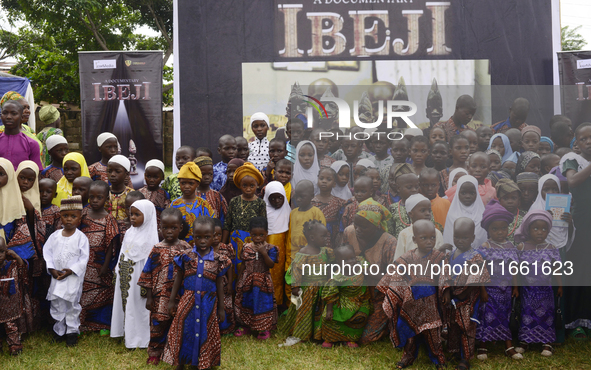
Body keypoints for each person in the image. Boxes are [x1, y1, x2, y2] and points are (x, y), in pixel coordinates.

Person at [162, 216, 231, 369]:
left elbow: (219, 283)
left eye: (207, 237)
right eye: (198, 237)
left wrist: (221, 307)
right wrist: (172, 300)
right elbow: (178, 278)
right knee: (183, 329)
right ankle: (180, 361)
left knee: (205, 330)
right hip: (188, 301)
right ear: (193, 236)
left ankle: (200, 361)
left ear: (214, 236)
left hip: (208, 303)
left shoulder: (218, 260)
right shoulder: (186, 257)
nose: (203, 240)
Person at [377, 220, 447, 369]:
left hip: (431, 306)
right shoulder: (406, 258)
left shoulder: (439, 258)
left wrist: (446, 291)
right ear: (414, 239)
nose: (429, 241)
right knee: (409, 333)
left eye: (432, 237)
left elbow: (445, 277)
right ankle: (408, 356)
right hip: (410, 305)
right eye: (424, 238)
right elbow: (395, 277)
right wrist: (394, 297)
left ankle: (438, 358)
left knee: (433, 334)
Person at [138, 207, 190, 365]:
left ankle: (175, 352)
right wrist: (148, 297)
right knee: (158, 324)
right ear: (160, 228)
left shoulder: (186, 249)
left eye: (174, 228)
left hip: (180, 294)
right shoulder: (157, 249)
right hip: (159, 295)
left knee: (178, 323)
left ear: (180, 228)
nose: (169, 231)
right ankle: (155, 352)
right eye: (165, 227)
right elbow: (147, 272)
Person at [341, 199, 397, 344]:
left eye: (363, 227)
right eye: (356, 224)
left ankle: (389, 324)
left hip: (378, 295)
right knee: (341, 327)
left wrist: (366, 271)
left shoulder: (389, 242)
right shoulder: (349, 232)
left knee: (366, 338)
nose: (358, 229)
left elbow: (392, 278)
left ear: (377, 226)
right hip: (352, 293)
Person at [440, 218, 490, 369]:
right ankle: (454, 352)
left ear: (473, 238)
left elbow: (477, 276)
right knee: (453, 326)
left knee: (466, 327)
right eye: (457, 236)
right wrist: (447, 291)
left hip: (467, 298)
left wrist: (465, 292)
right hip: (453, 298)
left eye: (465, 237)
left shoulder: (476, 256)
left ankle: (465, 358)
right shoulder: (450, 255)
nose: (460, 240)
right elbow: (445, 273)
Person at [476, 200, 522, 360]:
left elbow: (514, 269)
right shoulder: (485, 246)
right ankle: (483, 345)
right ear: (488, 229)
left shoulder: (511, 247)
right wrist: (482, 289)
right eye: (495, 229)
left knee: (505, 316)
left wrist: (515, 287)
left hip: (506, 290)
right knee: (487, 316)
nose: (500, 232)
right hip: (490, 290)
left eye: (503, 228)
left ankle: (508, 346)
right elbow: (481, 270)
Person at [111, 199, 158, 349]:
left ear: (148, 216)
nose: (133, 217)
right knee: (126, 304)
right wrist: (118, 268)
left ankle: (139, 339)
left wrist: (146, 281)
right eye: (131, 214)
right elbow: (123, 251)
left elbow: (149, 263)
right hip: (125, 273)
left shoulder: (150, 237)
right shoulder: (130, 232)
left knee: (138, 307)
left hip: (139, 277)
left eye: (138, 214)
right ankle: (126, 333)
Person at [514, 210, 562, 357]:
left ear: (548, 230)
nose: (540, 232)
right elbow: (515, 269)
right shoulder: (521, 248)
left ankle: (546, 342)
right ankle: (525, 341)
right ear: (528, 229)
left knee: (546, 315)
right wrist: (515, 287)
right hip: (528, 291)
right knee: (527, 313)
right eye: (536, 228)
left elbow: (556, 269)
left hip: (545, 291)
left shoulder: (551, 249)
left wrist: (560, 285)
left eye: (544, 229)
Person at [44, 195, 90, 347]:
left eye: (73, 216)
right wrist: (51, 269)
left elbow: (84, 259)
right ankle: (59, 330)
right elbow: (47, 253)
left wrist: (71, 271)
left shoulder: (81, 238)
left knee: (72, 304)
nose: (69, 219)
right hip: (57, 277)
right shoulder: (55, 236)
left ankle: (71, 332)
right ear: (60, 217)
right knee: (57, 304)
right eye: (65, 216)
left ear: (79, 218)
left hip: (72, 278)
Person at [561, 122, 591, 340]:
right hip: (582, 226)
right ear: (576, 143)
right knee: (581, 272)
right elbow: (572, 181)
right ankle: (577, 322)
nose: (589, 141)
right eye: (584, 139)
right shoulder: (572, 160)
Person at [280, 221, 334, 342]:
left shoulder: (326, 251)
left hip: (322, 287)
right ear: (312, 238)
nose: (326, 238)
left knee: (319, 311)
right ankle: (304, 333)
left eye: (327, 235)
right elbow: (296, 270)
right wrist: (296, 286)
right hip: (308, 289)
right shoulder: (303, 253)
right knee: (306, 311)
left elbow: (334, 263)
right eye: (323, 236)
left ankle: (318, 334)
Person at [78, 181, 120, 334]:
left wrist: (105, 265)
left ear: (106, 199)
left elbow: (111, 245)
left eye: (99, 197)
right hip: (83, 261)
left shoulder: (109, 219)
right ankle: (83, 323)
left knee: (103, 293)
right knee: (83, 293)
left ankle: (103, 326)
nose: (95, 200)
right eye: (91, 197)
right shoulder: (83, 214)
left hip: (100, 262)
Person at [315, 244, 371, 348]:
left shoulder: (360, 265)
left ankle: (350, 339)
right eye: (346, 260)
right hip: (341, 302)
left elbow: (368, 268)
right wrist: (329, 310)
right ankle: (330, 338)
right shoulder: (338, 278)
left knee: (360, 317)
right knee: (331, 319)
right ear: (338, 263)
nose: (351, 262)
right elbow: (330, 294)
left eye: (352, 258)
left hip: (358, 300)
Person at [234, 217, 278, 340]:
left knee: (263, 304)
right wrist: (239, 279)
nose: (258, 237)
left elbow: (271, 264)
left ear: (266, 234)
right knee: (246, 302)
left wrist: (264, 253)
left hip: (263, 281)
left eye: (261, 235)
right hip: (247, 280)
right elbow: (243, 263)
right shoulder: (246, 247)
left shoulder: (271, 248)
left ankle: (263, 328)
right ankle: (245, 325)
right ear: (250, 233)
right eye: (254, 235)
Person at [222, 162, 266, 272]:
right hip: (235, 240)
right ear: (240, 185)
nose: (248, 189)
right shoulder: (234, 201)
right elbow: (227, 224)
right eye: (244, 185)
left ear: (257, 185)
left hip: (253, 241)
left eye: (252, 186)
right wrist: (222, 244)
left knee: (250, 267)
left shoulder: (260, 203)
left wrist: (261, 244)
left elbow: (263, 226)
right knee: (234, 267)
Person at [285, 180, 326, 278]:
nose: (298, 199)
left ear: (312, 196)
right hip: (293, 254)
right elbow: (289, 234)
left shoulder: (316, 213)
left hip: (310, 254)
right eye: (296, 196)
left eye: (302, 196)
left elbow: (322, 234)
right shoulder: (293, 213)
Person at [170, 162, 214, 245]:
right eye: (183, 183)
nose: (186, 186)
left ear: (197, 184)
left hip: (199, 246)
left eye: (191, 183)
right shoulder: (174, 204)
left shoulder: (204, 204)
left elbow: (211, 225)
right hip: (178, 246)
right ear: (179, 182)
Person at [528, 174, 575, 249]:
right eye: (546, 190)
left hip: (561, 247)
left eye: (555, 189)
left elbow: (569, 234)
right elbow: (529, 231)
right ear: (540, 191)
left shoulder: (564, 208)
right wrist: (543, 218)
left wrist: (569, 222)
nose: (551, 192)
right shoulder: (535, 209)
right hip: (540, 248)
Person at [264, 181, 290, 307]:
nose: (276, 201)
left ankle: (277, 302)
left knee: (278, 277)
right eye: (272, 198)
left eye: (280, 197)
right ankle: (265, 304)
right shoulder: (263, 211)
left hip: (281, 251)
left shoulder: (288, 212)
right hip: (264, 251)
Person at [394, 193, 443, 260]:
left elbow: (441, 257)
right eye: (423, 210)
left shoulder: (436, 233)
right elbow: (398, 259)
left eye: (429, 210)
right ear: (411, 214)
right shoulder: (404, 234)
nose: (427, 214)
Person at [443, 175, 487, 249]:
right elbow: (449, 241)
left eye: (472, 193)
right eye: (463, 193)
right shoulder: (452, 215)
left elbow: (482, 241)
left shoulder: (482, 216)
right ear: (457, 193)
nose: (467, 196)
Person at [0, 100, 43, 170]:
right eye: (5, 113)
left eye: (14, 114)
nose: (8, 117)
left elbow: (36, 172)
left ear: (21, 117)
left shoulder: (32, 144)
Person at [0, 238, 25, 355]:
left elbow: (23, 271)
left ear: (6, 251)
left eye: (1, 251)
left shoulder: (11, 264)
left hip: (9, 305)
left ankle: (15, 346)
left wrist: (16, 256)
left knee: (11, 326)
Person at [211, 218, 235, 335]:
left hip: (223, 281)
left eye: (219, 235)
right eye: (213, 235)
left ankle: (225, 327)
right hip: (210, 281)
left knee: (225, 303)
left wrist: (230, 283)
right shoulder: (205, 248)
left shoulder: (225, 248)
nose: (216, 238)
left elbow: (230, 267)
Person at [194, 156, 228, 224]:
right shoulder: (191, 196)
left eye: (210, 174)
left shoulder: (217, 196)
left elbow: (223, 218)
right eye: (203, 174)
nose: (207, 177)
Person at [139, 159, 171, 228]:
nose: (152, 180)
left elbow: (167, 212)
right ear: (145, 176)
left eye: (155, 177)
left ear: (162, 177)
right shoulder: (139, 192)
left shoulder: (164, 194)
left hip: (158, 227)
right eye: (149, 176)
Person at [105, 155, 134, 231]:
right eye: (109, 171)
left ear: (126, 174)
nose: (112, 174)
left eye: (117, 171)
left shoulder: (131, 194)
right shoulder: (103, 193)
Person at [389, 171, 420, 237]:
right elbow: (390, 232)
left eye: (417, 187)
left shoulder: (423, 206)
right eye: (409, 187)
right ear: (398, 188)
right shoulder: (393, 208)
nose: (414, 190)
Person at [495, 178, 526, 244]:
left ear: (519, 199)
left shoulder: (525, 216)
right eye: (505, 198)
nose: (510, 201)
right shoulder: (495, 217)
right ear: (499, 199)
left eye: (513, 198)